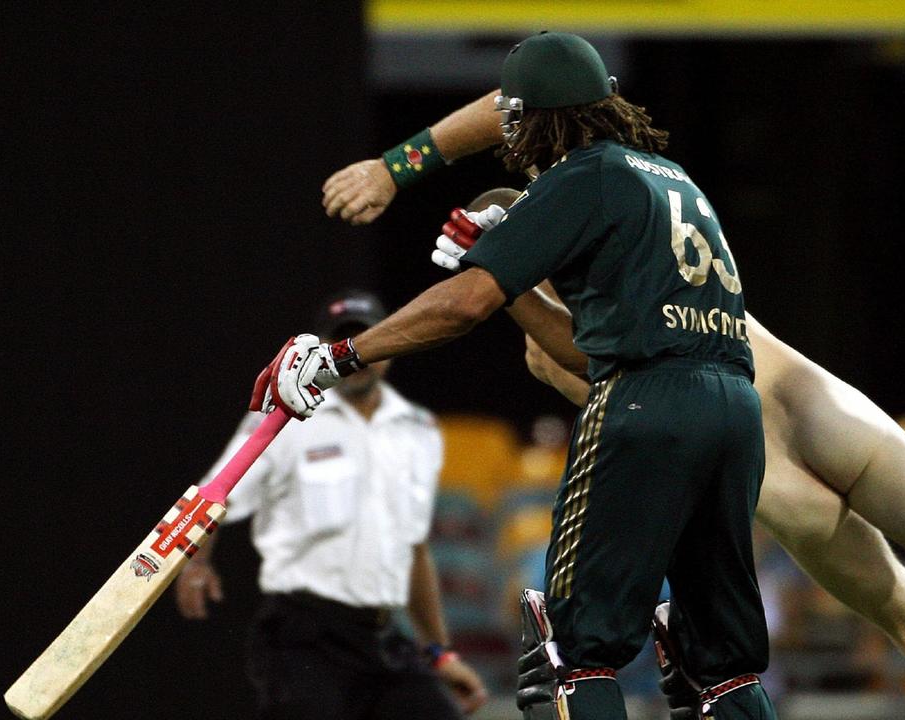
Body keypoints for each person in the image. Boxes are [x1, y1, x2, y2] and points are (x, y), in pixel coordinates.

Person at [321, 75, 905, 719]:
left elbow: (616, 387)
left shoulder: (555, 304)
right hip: (808, 396)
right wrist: (414, 181)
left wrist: (427, 204)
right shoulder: (637, 201)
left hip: (763, 454)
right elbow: (526, 103)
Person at [263, 32, 777, 720]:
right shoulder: (671, 178)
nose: (510, 138)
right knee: (722, 665)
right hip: (734, 410)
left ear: (536, 118)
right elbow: (582, 350)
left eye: (514, 120)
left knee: (571, 652)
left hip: (646, 404)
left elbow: (462, 305)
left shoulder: (582, 173)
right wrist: (513, 279)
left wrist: (340, 357)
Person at [177, 290, 488, 720]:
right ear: (324, 351)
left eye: (369, 338)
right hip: (306, 637)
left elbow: (414, 547)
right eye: (344, 342)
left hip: (383, 636)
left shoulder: (418, 430)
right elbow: (217, 492)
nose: (358, 355)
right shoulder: (282, 419)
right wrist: (196, 563)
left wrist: (440, 653)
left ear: (392, 343)